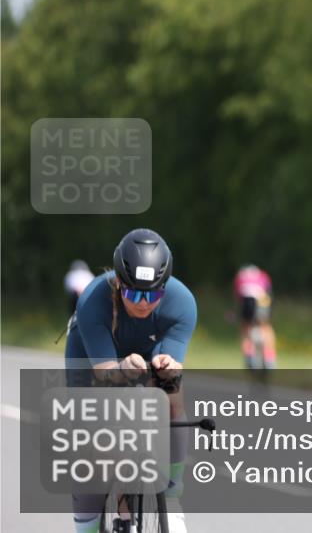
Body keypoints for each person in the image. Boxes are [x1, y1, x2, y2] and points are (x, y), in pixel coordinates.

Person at [64, 228, 196, 533]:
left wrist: (169, 368)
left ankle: (172, 495)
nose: (143, 303)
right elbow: (105, 373)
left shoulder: (182, 304)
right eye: (134, 293)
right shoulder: (93, 300)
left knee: (171, 392)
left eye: (153, 294)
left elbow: (171, 368)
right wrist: (122, 367)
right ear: (118, 282)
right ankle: (87, 524)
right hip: (93, 358)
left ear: (165, 287)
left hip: (146, 348)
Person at [233, 263, 276, 370]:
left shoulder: (240, 276)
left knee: (245, 328)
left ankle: (249, 356)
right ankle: (270, 358)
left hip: (247, 301)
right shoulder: (263, 275)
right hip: (263, 301)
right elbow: (269, 293)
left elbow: (238, 298)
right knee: (266, 327)